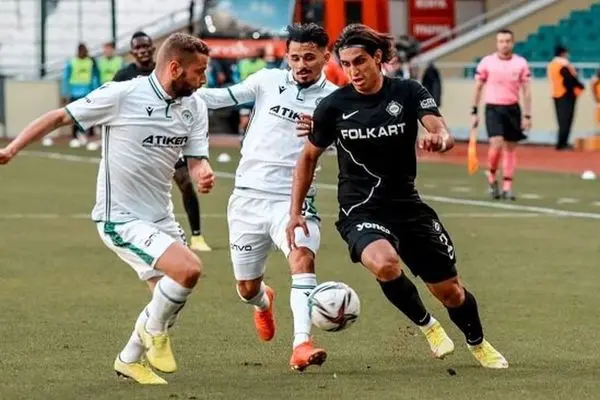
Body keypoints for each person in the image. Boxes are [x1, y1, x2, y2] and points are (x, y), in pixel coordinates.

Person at [286, 24, 508, 369]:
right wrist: (295, 212)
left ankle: (477, 342)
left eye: (360, 61)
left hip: (408, 207)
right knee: (385, 263)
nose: (353, 71)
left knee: (451, 292)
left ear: (378, 57)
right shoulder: (334, 106)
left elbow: (442, 131)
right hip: (360, 209)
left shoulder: (408, 91)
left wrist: (438, 139)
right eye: (346, 64)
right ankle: (428, 326)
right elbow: (307, 158)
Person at [0, 32, 216, 384]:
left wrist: (202, 171)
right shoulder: (123, 94)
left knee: (169, 299)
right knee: (188, 270)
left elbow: (195, 159)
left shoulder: (195, 106)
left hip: (160, 215)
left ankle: (129, 360)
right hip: (121, 217)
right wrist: (12, 149)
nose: (204, 78)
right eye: (199, 71)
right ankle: (153, 333)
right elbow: (59, 117)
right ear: (175, 68)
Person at [194, 23, 337, 371]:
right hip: (248, 198)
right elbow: (221, 97)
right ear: (286, 56)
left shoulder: (336, 100)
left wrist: (326, 132)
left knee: (302, 259)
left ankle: (301, 344)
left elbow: (350, 144)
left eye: (309, 57)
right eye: (294, 57)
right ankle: (263, 302)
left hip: (295, 200)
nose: (301, 65)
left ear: (326, 56)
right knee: (246, 288)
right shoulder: (267, 80)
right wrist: (179, 89)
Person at [113, 31, 212, 252]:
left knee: (185, 183)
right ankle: (135, 230)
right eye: (138, 48)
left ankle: (197, 235)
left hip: (170, 139)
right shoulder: (124, 76)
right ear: (132, 52)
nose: (142, 51)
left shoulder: (165, 69)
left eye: (146, 46)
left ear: (153, 48)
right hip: (141, 146)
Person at [472, 29, 532, 201]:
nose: (504, 44)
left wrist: (527, 115)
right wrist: (474, 110)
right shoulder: (487, 62)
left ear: (512, 43)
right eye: (501, 41)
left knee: (510, 148)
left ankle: (507, 187)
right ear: (497, 43)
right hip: (493, 108)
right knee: (496, 143)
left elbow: (527, 91)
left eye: (507, 41)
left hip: (513, 108)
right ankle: (491, 175)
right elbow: (478, 87)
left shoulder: (520, 63)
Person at [61, 43, 99, 148]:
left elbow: (95, 77)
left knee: (88, 115)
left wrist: (95, 90)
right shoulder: (71, 62)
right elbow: (66, 77)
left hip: (87, 92)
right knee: (74, 116)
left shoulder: (91, 62)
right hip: (74, 92)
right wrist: (65, 93)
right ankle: (75, 135)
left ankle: (87, 135)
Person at [548, 45, 585, 150]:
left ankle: (561, 142)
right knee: (566, 120)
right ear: (563, 53)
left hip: (556, 94)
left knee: (561, 120)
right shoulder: (563, 65)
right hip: (566, 95)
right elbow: (569, 80)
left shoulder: (552, 65)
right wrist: (580, 86)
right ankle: (562, 143)